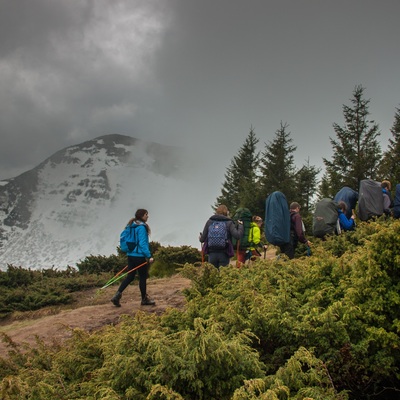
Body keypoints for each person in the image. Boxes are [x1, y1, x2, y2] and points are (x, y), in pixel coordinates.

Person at [111, 209, 155, 307]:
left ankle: (117, 295)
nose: (147, 216)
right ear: (142, 216)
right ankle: (144, 299)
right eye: (146, 214)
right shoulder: (141, 227)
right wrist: (149, 256)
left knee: (130, 276)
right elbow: (143, 243)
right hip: (139, 256)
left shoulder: (131, 225)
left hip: (130, 255)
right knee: (143, 277)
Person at [200, 204, 244, 269]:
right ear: (227, 212)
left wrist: (200, 237)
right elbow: (237, 236)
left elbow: (202, 239)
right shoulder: (229, 222)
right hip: (224, 253)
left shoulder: (210, 221)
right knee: (222, 275)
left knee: (213, 275)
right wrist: (240, 225)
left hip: (212, 253)